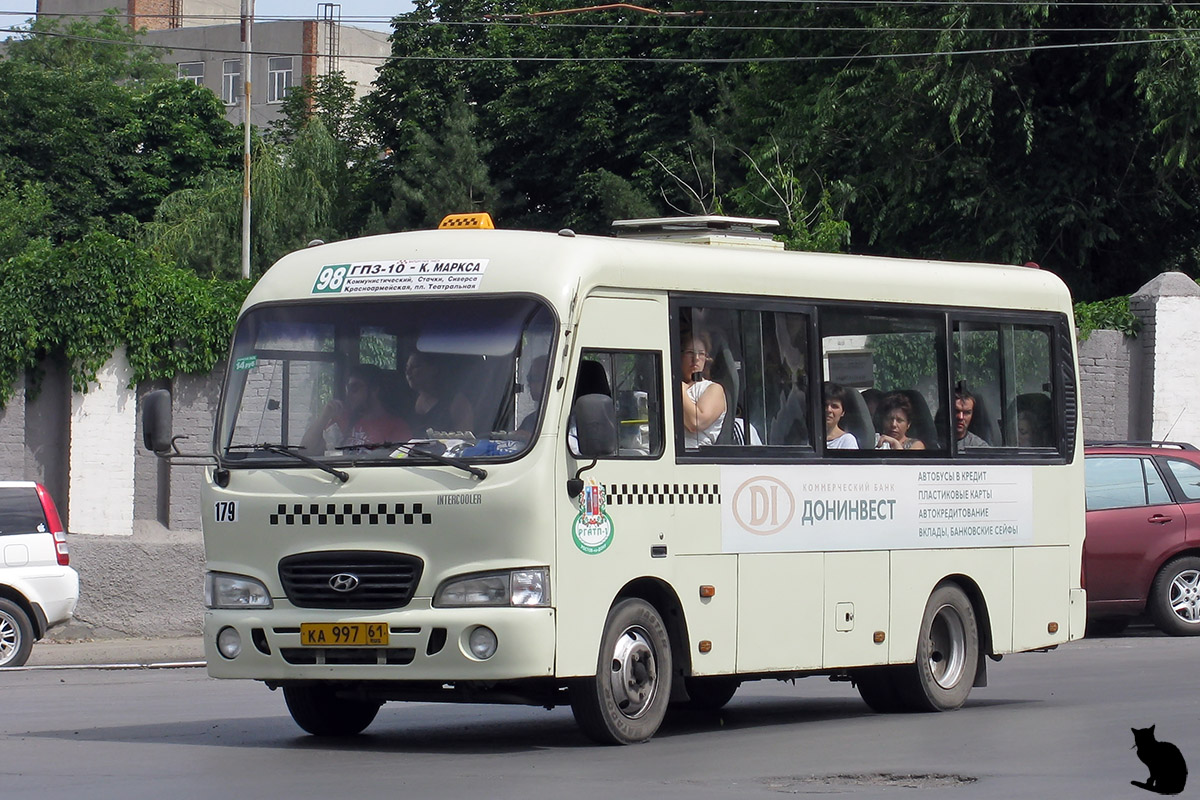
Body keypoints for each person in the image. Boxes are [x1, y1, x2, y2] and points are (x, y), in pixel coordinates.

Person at [300, 364, 411, 454]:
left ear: (374, 390)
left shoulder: (397, 427)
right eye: (348, 389)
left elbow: (395, 466)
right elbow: (306, 450)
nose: (349, 395)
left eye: (355, 388)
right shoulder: (342, 418)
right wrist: (324, 416)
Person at [405, 351, 474, 436]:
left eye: (415, 367)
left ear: (433, 369)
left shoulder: (456, 402)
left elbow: (466, 442)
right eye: (407, 367)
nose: (408, 372)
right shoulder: (410, 401)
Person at [680, 331, 726, 448]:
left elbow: (696, 422)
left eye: (701, 354)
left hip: (690, 454)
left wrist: (677, 387)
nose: (695, 359)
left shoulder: (713, 389)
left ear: (706, 358)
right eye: (690, 353)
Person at [515, 354, 549, 441]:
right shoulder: (530, 420)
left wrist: (530, 438)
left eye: (536, 378)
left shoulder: (569, 417)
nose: (531, 384)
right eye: (529, 379)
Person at [824, 381, 858, 449]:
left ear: (843, 412)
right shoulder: (806, 441)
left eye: (834, 406)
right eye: (824, 405)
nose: (828, 410)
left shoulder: (847, 441)